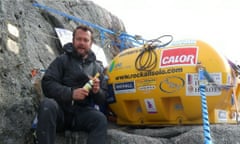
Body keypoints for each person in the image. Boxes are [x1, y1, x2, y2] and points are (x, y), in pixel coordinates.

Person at [36, 25, 108, 144]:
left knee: (100, 119)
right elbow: (47, 83)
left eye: (86, 40)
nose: (82, 43)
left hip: (81, 114)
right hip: (60, 111)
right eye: (79, 39)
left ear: (90, 44)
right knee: (47, 105)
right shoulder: (62, 60)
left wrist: (97, 91)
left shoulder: (97, 68)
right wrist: (70, 93)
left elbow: (103, 99)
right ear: (73, 40)